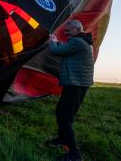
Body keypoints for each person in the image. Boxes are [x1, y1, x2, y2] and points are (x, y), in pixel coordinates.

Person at [46, 20, 94, 161]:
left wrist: (52, 40)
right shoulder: (82, 42)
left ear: (78, 29)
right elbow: (66, 49)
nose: (66, 33)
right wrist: (58, 43)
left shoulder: (78, 42)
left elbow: (55, 51)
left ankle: (74, 154)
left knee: (64, 116)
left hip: (75, 85)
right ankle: (62, 139)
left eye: (68, 31)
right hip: (78, 85)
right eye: (65, 31)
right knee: (63, 113)